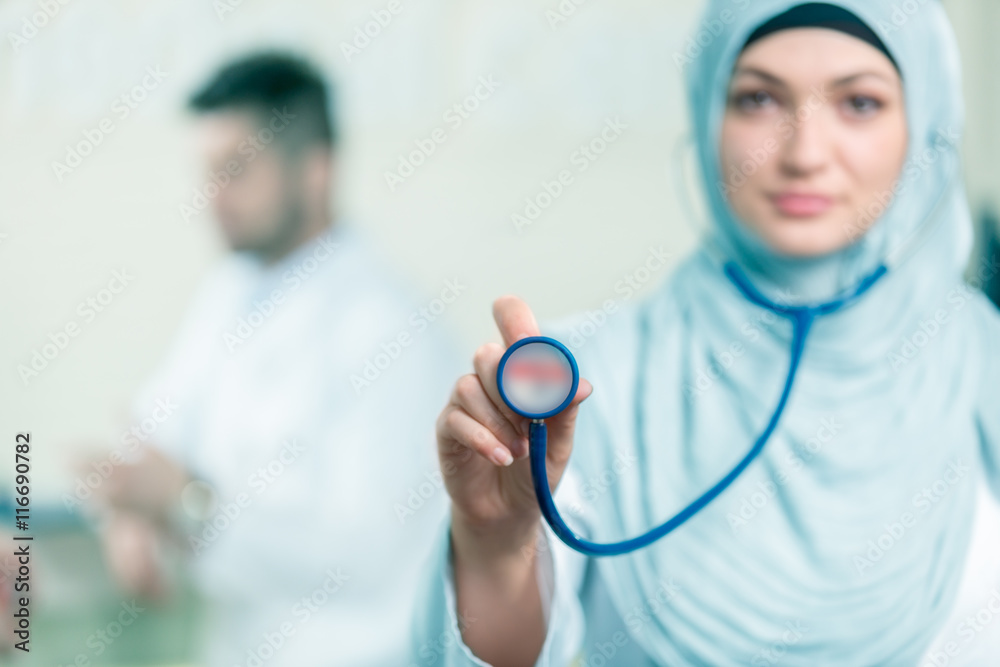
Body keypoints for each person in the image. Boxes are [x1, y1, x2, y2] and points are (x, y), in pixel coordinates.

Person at [414, 1, 1000, 665]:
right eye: (758, 98)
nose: (805, 153)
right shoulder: (583, 383)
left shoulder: (984, 366)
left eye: (859, 104)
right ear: (705, 114)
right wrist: (495, 539)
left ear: (925, 126)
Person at [91, 52, 461, 666]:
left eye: (234, 170)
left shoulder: (390, 330)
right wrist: (129, 516)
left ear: (314, 171)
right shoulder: (230, 293)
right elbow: (156, 433)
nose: (212, 197)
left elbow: (362, 549)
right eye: (205, 173)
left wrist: (188, 504)